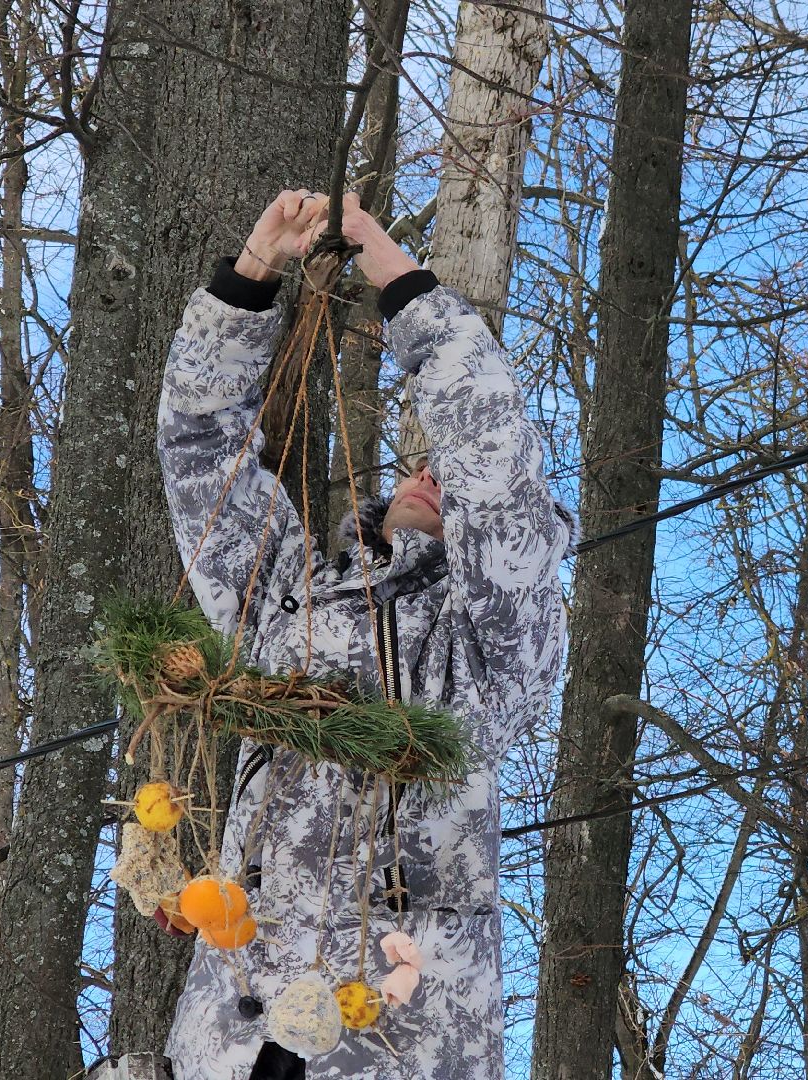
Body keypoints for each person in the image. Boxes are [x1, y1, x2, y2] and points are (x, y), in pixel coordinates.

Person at [153, 188, 570, 1079]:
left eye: (448, 474)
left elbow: (494, 465)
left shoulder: (498, 643)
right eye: (423, 463)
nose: (433, 473)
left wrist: (394, 270)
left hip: (395, 1043)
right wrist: (252, 277)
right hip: (233, 1036)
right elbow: (198, 453)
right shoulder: (286, 598)